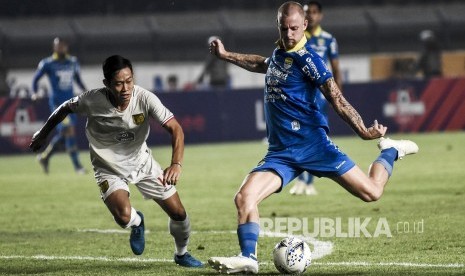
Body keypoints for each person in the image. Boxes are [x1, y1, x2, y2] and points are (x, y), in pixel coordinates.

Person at [207, 2, 418, 274]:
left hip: (314, 147)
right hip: (281, 152)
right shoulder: (280, 53)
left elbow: (337, 100)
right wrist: (226, 55)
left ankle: (390, 151)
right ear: (279, 26)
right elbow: (262, 63)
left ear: (305, 25)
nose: (289, 34)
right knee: (244, 197)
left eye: (295, 28)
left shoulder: (310, 60)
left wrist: (365, 131)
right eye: (284, 28)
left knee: (372, 193)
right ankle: (248, 258)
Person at [29, 55, 203, 268]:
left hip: (142, 163)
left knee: (179, 213)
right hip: (107, 168)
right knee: (123, 217)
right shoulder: (92, 100)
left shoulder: (145, 98)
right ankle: (137, 222)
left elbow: (175, 128)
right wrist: (43, 133)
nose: (125, 88)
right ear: (107, 84)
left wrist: (176, 163)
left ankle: (181, 254)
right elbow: (65, 107)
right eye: (119, 83)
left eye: (129, 81)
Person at [290, 0, 343, 196]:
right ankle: (302, 180)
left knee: (317, 137)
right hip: (299, 95)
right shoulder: (295, 37)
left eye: (314, 12)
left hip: (319, 97)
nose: (311, 15)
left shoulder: (328, 39)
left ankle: (308, 181)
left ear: (320, 15)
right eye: (307, 12)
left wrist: (337, 97)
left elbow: (336, 68)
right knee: (298, 136)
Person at [31, 37, 87, 174]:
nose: (60, 48)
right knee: (69, 131)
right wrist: (35, 93)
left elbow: (78, 80)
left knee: (64, 135)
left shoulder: (73, 62)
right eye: (57, 46)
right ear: (54, 47)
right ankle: (78, 167)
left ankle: (45, 157)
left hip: (71, 103)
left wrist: (87, 93)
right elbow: (35, 79)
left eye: (62, 46)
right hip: (57, 104)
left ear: (66, 47)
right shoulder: (47, 63)